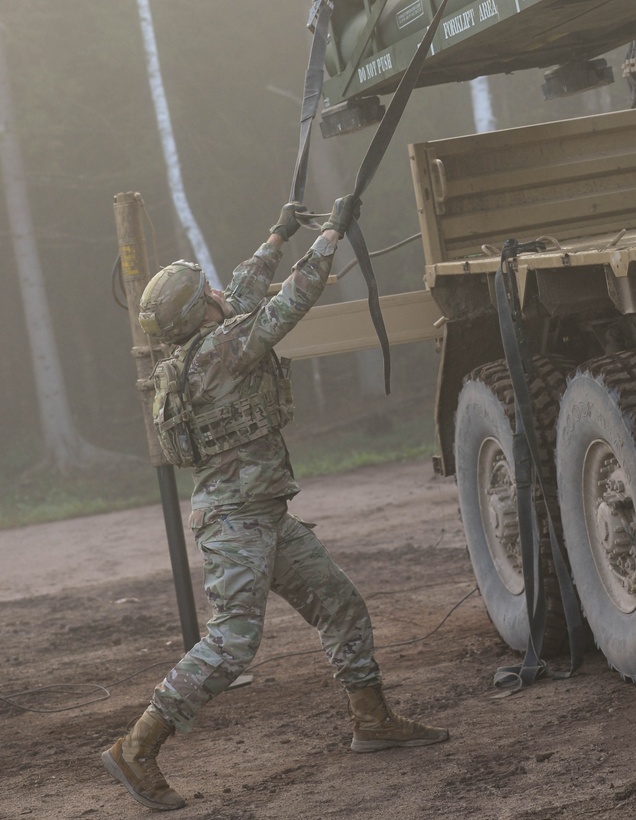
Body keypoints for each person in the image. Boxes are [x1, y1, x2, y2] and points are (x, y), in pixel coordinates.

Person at [102, 198, 448, 813]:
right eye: (204, 287)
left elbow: (241, 287)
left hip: (261, 514)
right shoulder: (223, 351)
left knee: (340, 604)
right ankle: (137, 748)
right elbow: (294, 298)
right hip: (238, 522)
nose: (218, 288)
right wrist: (332, 234)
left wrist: (279, 233)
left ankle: (371, 720)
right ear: (199, 307)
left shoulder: (204, 344)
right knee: (233, 640)